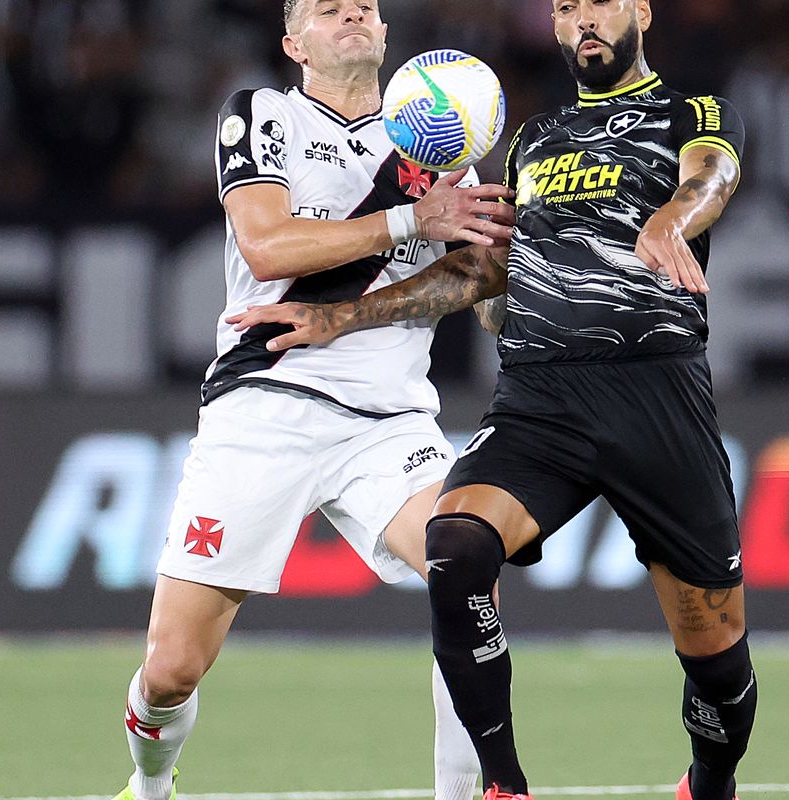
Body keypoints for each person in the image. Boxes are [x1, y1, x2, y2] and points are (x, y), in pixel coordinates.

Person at [229, 2, 755, 799]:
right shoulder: (534, 141)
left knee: (715, 654)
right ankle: (503, 786)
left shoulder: (692, 112)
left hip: (657, 391)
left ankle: (710, 781)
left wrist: (672, 219)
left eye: (601, 2)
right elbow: (482, 274)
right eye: (566, 7)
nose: (584, 18)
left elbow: (713, 174)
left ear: (640, 11)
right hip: (540, 400)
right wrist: (341, 315)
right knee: (455, 543)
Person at [111, 2, 517, 799]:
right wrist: (411, 217)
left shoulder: (443, 148)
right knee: (171, 670)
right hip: (266, 401)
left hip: (389, 422)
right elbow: (266, 246)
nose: (352, 13)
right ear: (295, 43)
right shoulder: (263, 114)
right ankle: (150, 788)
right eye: (329, 8)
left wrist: (486, 270)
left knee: (469, 568)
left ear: (387, 35)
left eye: (364, 5)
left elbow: (475, 282)